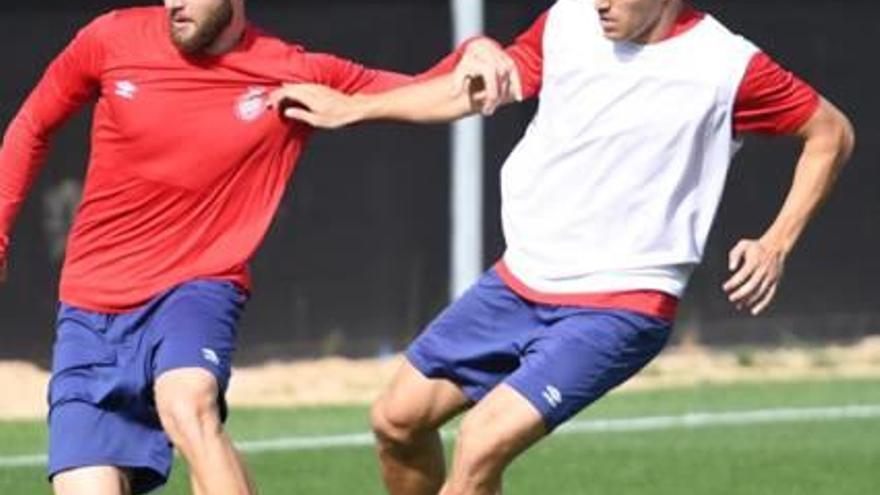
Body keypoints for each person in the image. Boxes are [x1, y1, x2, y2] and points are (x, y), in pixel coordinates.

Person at [268, 0, 856, 494]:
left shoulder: (728, 65)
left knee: (478, 446)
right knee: (396, 422)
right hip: (517, 283)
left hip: (619, 305)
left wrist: (777, 242)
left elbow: (831, 132)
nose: (600, 1)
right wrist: (357, 107)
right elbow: (469, 93)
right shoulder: (568, 21)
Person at [0, 0, 489, 493]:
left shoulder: (287, 71)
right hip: (90, 308)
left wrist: (479, 48)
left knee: (187, 402)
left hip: (195, 289)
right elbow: (32, 126)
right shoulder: (109, 39)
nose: (175, 3)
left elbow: (432, 90)